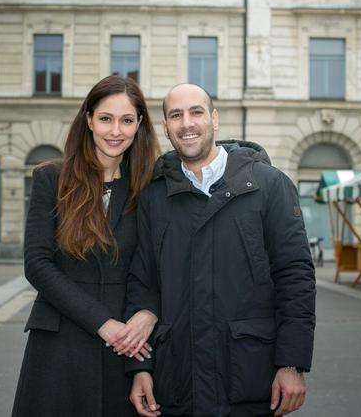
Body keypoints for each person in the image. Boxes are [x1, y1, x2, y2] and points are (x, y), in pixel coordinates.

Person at [126, 83, 316, 417]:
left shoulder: (269, 185)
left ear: (214, 119)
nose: (187, 123)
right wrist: (140, 367)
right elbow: (142, 284)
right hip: (175, 384)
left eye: (196, 112)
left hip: (250, 381)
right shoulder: (153, 197)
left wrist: (292, 362)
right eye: (176, 115)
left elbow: (295, 277)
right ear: (166, 128)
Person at [12, 75, 160, 417]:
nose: (115, 131)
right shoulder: (52, 178)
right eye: (106, 118)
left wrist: (147, 317)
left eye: (126, 120)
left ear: (139, 124)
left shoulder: (150, 186)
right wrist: (102, 323)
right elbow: (37, 264)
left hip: (125, 348)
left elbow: (156, 267)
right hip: (59, 346)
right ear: (89, 119)